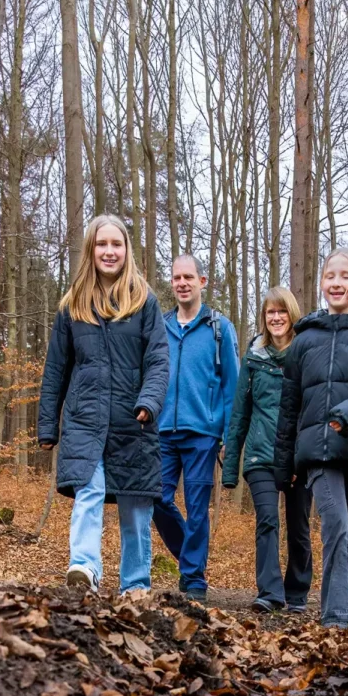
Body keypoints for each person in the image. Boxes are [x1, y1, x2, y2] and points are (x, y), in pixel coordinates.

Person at [37, 214, 169, 594]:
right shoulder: (72, 305)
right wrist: (48, 425)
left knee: (135, 505)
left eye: (116, 244)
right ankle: (84, 568)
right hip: (84, 418)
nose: (109, 251)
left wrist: (150, 400)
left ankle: (135, 585)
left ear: (127, 250)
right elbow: (56, 369)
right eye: (101, 244)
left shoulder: (145, 302)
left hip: (135, 420)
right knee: (88, 492)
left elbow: (159, 360)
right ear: (90, 250)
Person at [273, 248, 348, 629]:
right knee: (336, 526)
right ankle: (336, 616)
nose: (336, 283)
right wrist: (283, 464)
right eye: (330, 276)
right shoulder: (303, 341)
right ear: (322, 284)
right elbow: (289, 406)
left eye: (345, 276)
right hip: (318, 451)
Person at [153, 255, 239, 601]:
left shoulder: (219, 329)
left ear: (203, 282)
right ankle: (191, 557)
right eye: (176, 278)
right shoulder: (160, 326)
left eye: (189, 277)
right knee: (155, 498)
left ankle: (193, 580)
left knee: (198, 507)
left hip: (203, 433)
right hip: (161, 431)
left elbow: (231, 387)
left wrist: (227, 437)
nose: (182, 283)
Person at [222, 287, 313, 614]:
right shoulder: (253, 358)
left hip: (299, 455)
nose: (275, 318)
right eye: (270, 313)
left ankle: (298, 593)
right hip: (261, 454)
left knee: (299, 524)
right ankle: (270, 592)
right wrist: (230, 468)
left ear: (292, 315)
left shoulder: (305, 354)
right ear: (264, 318)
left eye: (281, 312)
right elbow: (240, 412)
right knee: (267, 520)